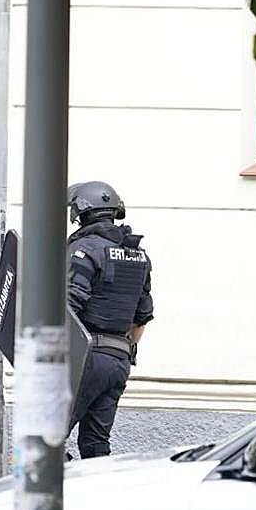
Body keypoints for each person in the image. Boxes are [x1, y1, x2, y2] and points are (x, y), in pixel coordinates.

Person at [66, 181, 153, 458]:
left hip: (85, 358)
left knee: (45, 438)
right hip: (119, 361)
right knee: (96, 444)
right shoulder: (138, 254)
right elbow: (142, 316)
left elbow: (68, 307)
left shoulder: (84, 249)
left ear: (82, 212)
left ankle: (52, 495)